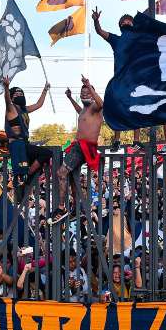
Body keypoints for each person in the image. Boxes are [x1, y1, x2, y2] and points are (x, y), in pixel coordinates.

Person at [51, 76, 103, 224]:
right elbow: (78, 109)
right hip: (79, 147)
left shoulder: (95, 107)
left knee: (61, 173)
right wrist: (69, 98)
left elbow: (101, 103)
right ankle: (76, 208)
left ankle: (61, 208)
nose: (85, 95)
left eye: (88, 92)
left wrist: (89, 86)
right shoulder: (84, 111)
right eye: (83, 93)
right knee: (73, 179)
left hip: (85, 147)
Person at [92, 8, 136, 147]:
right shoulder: (116, 40)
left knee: (136, 107)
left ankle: (136, 140)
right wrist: (96, 21)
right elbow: (100, 32)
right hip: (119, 81)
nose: (126, 22)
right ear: (120, 25)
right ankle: (117, 140)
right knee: (118, 108)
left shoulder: (138, 41)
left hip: (134, 79)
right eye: (123, 21)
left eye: (129, 21)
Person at [1, 76, 51, 195]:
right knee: (46, 153)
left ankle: (24, 185)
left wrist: (45, 89)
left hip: (25, 143)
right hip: (17, 144)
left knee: (37, 166)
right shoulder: (11, 108)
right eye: (17, 94)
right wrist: (7, 87)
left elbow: (39, 104)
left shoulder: (24, 109)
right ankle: (23, 181)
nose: (20, 95)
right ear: (12, 98)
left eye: (21, 93)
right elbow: (7, 100)